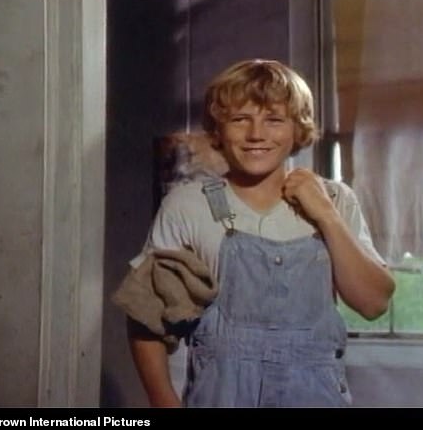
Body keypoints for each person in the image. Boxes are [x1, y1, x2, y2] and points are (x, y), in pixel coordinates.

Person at [126, 58, 395, 407]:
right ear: (219, 130)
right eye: (240, 119)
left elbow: (373, 303)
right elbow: (145, 319)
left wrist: (326, 216)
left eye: (274, 119)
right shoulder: (188, 205)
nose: (256, 134)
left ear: (297, 129)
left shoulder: (335, 200)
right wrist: (163, 402)